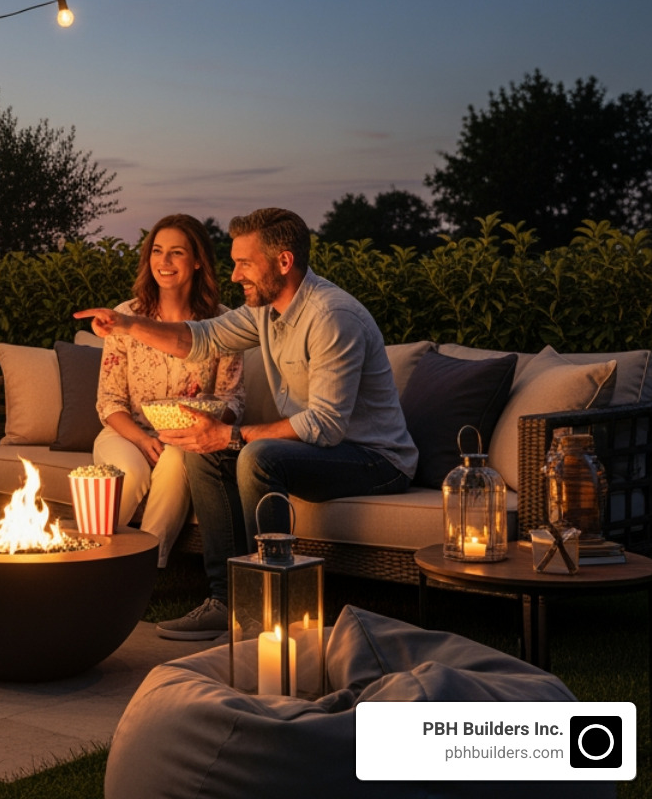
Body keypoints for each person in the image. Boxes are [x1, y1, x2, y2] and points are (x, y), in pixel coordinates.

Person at [77, 207, 415, 640]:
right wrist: (126, 324)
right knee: (205, 450)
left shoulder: (332, 316)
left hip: (374, 460)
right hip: (323, 450)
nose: (235, 275)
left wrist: (232, 434)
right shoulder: (265, 312)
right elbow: (198, 339)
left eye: (244, 264)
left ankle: (270, 605)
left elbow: (327, 425)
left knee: (255, 455)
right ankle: (224, 600)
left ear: (284, 262)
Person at [93, 214, 244, 567]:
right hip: (127, 434)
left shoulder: (223, 324)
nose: (164, 261)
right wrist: (143, 441)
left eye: (176, 252)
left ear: (196, 261)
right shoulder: (124, 316)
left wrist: (203, 417)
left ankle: (145, 569)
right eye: (157, 251)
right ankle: (92, 561)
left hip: (186, 440)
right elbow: (109, 401)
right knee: (127, 473)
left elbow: (233, 400)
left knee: (177, 461)